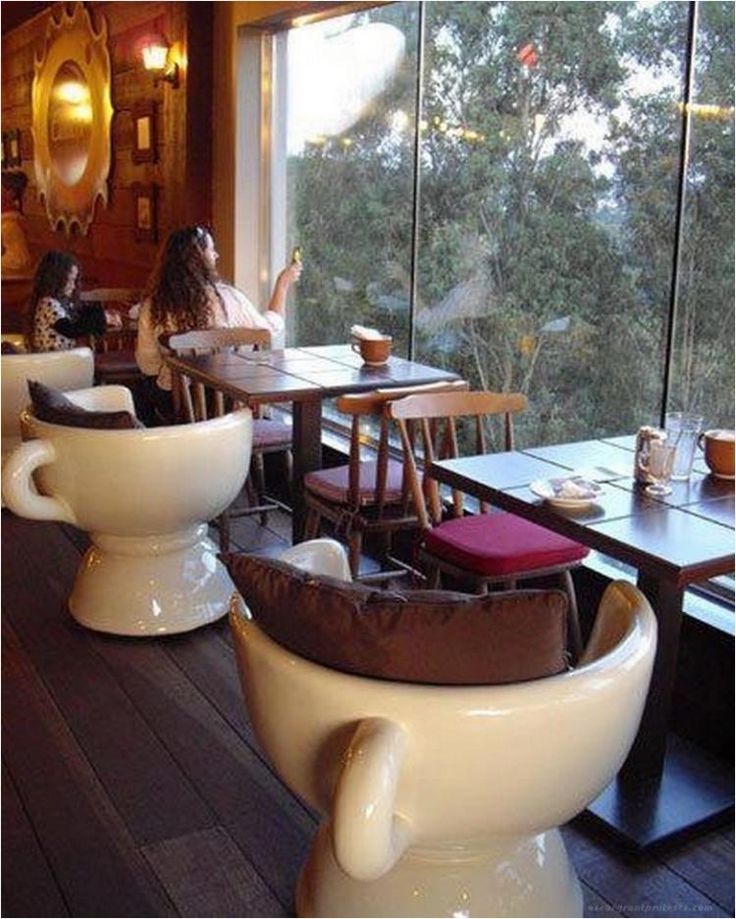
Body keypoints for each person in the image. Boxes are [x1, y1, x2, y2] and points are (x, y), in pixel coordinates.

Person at [135, 225, 301, 419]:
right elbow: (268, 330)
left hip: (177, 405)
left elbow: (147, 365)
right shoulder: (228, 298)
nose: (217, 255)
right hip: (230, 400)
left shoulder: (153, 306)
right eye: (212, 250)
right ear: (199, 259)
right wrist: (282, 284)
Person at [26, 250, 107, 352]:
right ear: (55, 280)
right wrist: (102, 319)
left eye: (74, 281)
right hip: (52, 358)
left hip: (61, 357)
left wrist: (102, 315)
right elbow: (71, 330)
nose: (73, 286)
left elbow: (80, 312)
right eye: (69, 281)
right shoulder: (49, 303)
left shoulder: (61, 302)